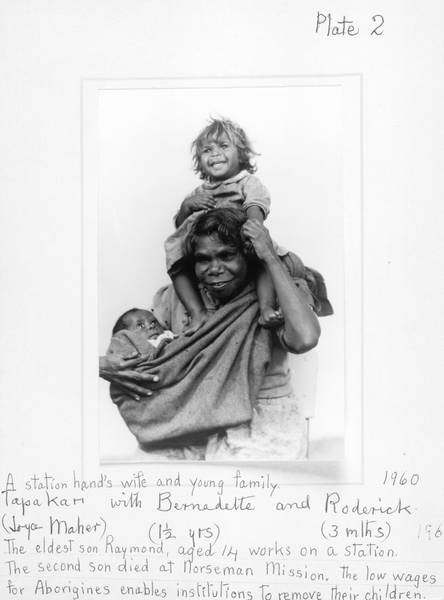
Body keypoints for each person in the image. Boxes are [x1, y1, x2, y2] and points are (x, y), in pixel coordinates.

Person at [100, 207, 326, 461]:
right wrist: (102, 364)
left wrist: (269, 257)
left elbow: (305, 338)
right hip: (188, 422)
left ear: (247, 255)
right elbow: (145, 349)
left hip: (262, 423)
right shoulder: (174, 297)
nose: (214, 268)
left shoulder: (275, 290)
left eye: (227, 255)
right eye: (203, 259)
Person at [165, 117, 288, 335]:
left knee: (262, 262)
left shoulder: (247, 182)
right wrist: (186, 207)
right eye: (207, 150)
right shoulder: (200, 191)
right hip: (205, 243)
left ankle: (266, 307)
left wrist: (253, 229)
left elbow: (255, 205)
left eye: (223, 146)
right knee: (175, 259)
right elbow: (180, 227)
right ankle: (197, 313)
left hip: (237, 236)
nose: (214, 153)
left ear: (240, 154)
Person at [106, 308, 175, 363]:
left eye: (154, 322)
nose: (150, 326)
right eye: (141, 325)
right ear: (128, 337)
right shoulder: (132, 353)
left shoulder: (168, 336)